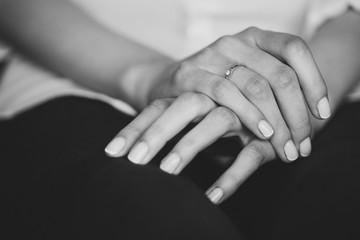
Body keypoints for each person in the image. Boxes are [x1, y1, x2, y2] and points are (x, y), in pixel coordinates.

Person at [0, 0, 359, 239]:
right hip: (82, 79)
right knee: (148, 216)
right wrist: (147, 76)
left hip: (319, 82)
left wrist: (299, 93)